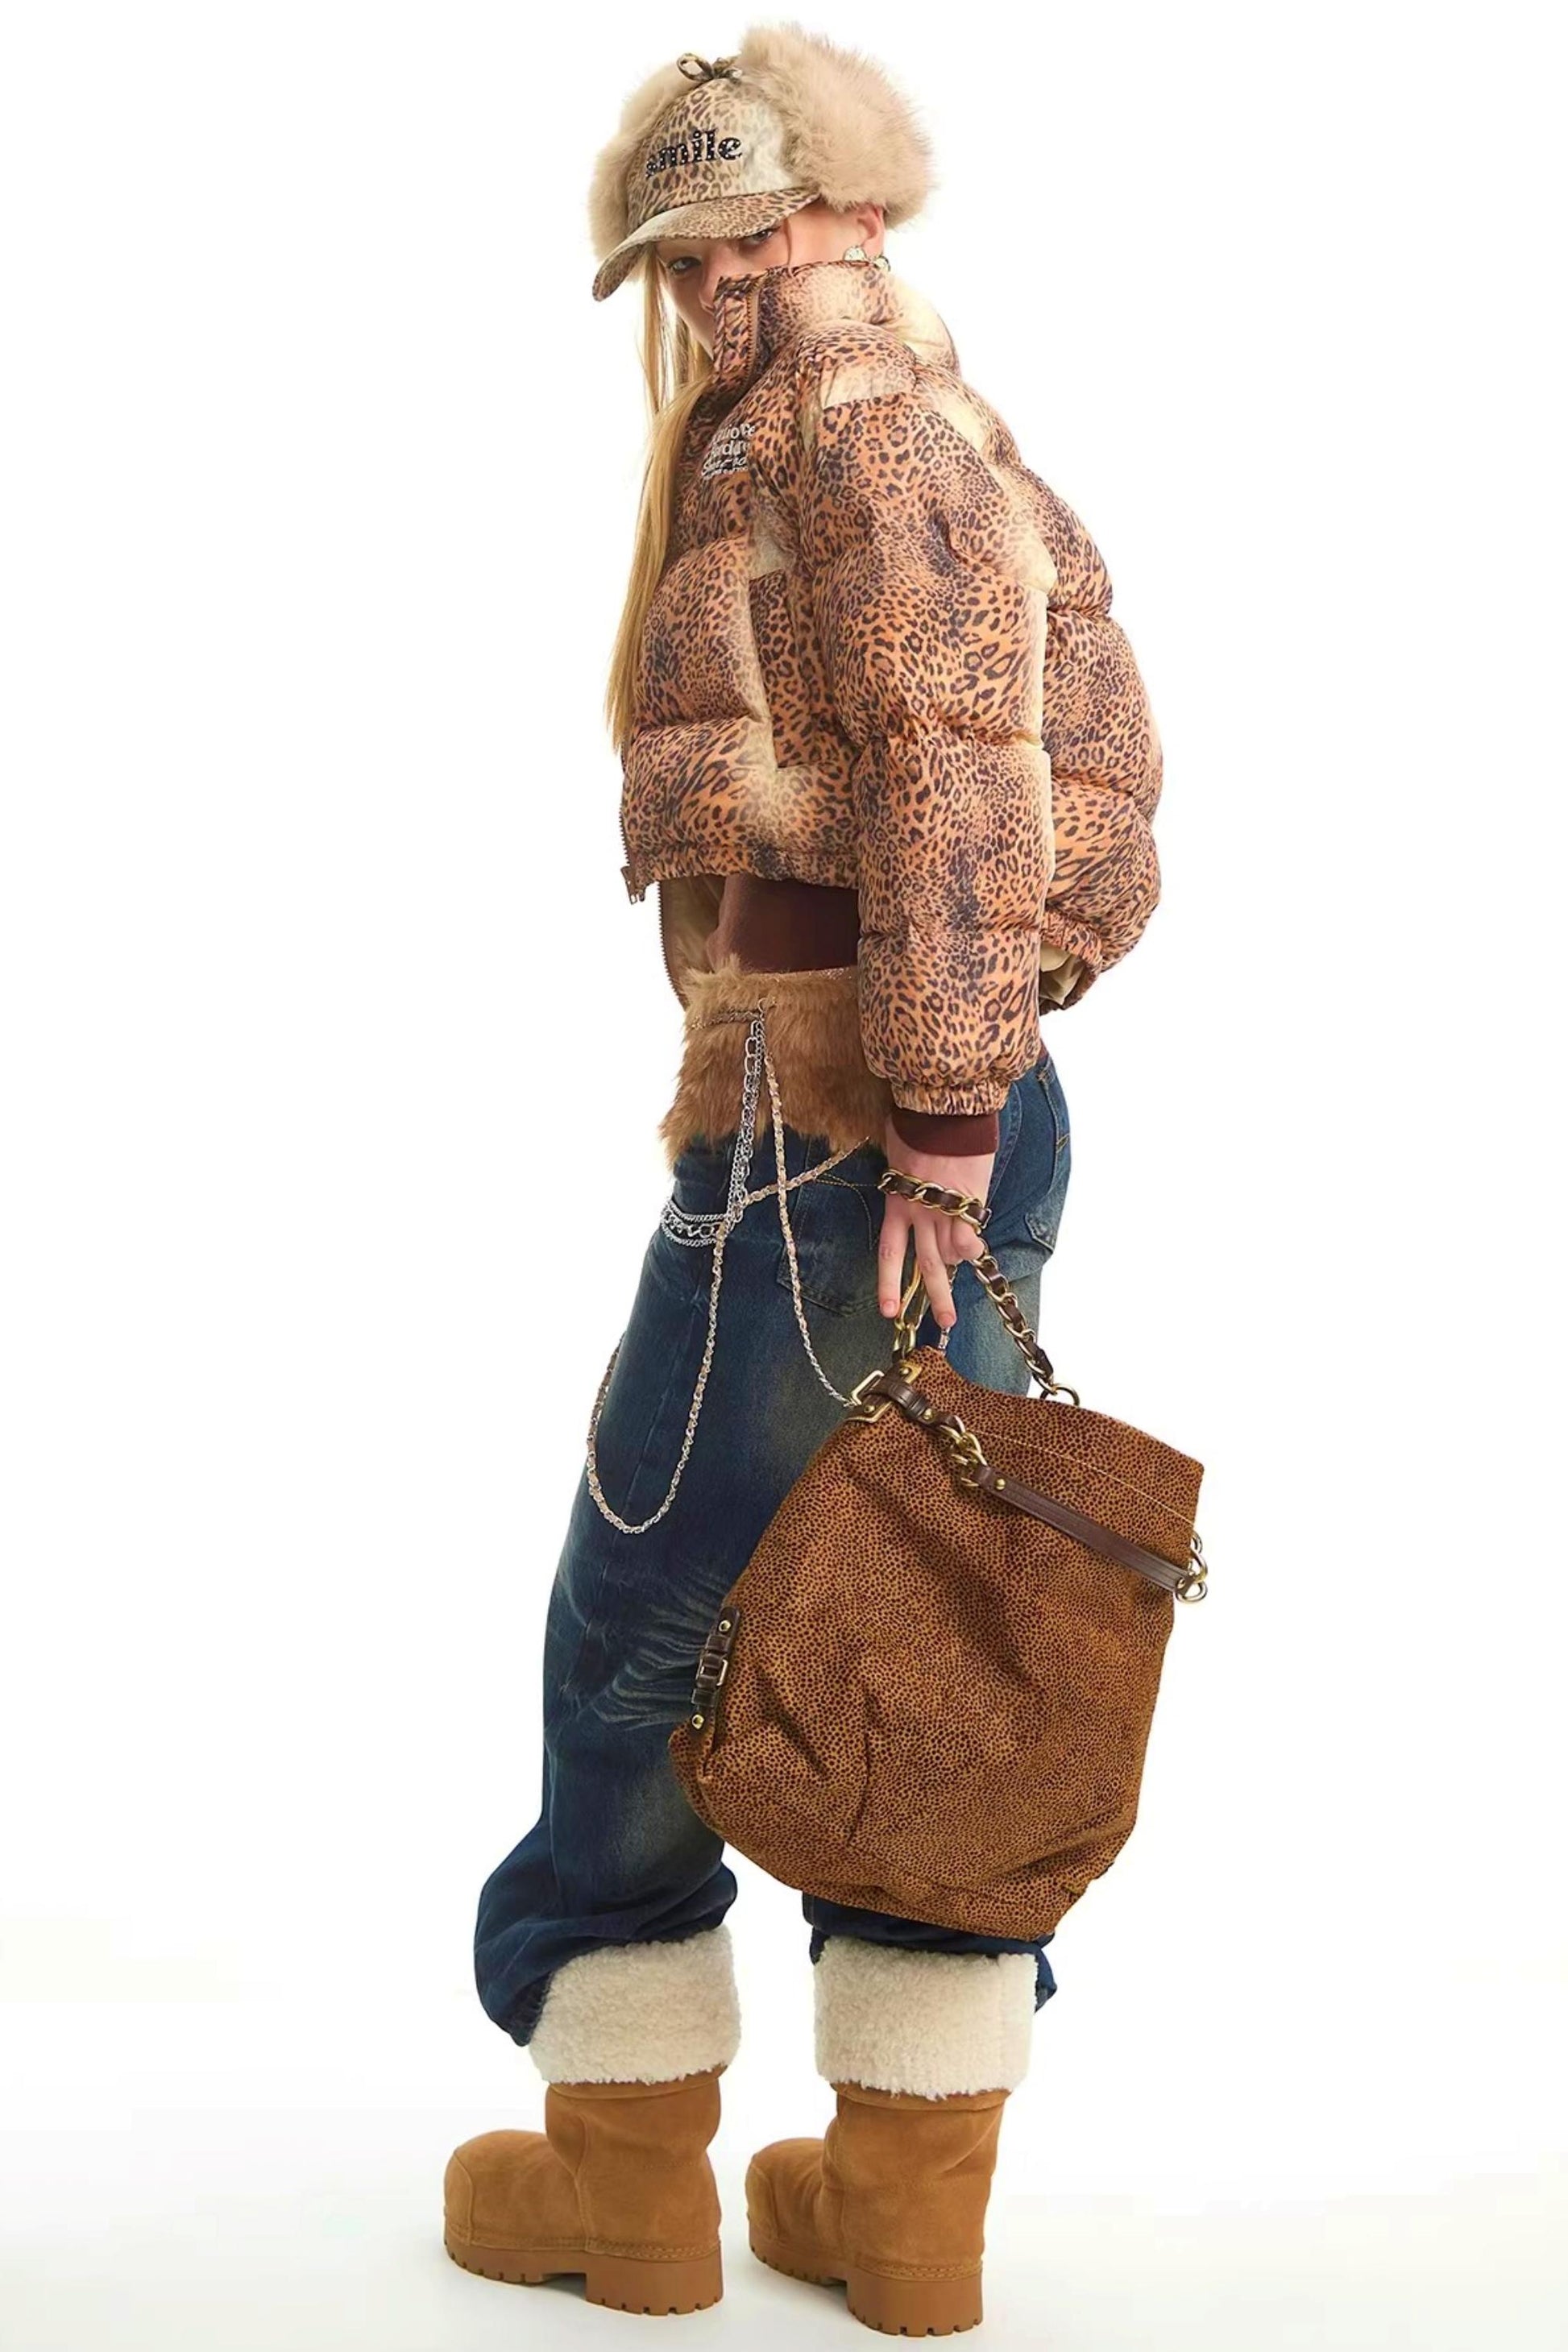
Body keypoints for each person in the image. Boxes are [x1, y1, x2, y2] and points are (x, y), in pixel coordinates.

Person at [442, 26, 1164, 2333]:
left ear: (814, 218)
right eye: (688, 256)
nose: (713, 284)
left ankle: (627, 2184)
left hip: (845, 1126)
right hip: (929, 1102)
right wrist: (976, 1084)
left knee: (647, 1629)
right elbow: (1063, 786)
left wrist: (931, 1112)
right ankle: (901, 2211)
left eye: (733, 238)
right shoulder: (919, 421)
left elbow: (955, 764)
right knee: (925, 1625)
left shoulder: (846, 434)